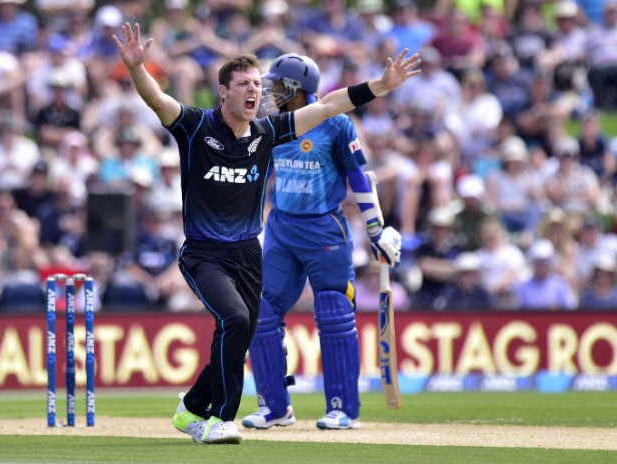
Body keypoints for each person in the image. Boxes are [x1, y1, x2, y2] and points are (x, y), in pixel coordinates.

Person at [111, 22, 419, 444]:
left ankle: (190, 410)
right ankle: (222, 418)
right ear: (224, 91)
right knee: (236, 319)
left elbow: (329, 106)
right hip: (204, 254)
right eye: (245, 84)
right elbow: (158, 100)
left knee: (237, 336)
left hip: (248, 254)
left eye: (258, 83)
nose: (255, 90)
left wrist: (381, 86)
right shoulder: (196, 127)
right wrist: (136, 69)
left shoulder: (267, 132)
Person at [239, 52, 401, 433]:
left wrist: (376, 229)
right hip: (280, 229)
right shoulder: (270, 125)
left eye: (277, 85)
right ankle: (275, 407)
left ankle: (344, 408)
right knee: (260, 313)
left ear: (295, 88)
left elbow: (359, 178)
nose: (271, 91)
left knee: (333, 313)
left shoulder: (336, 124)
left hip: (324, 231)